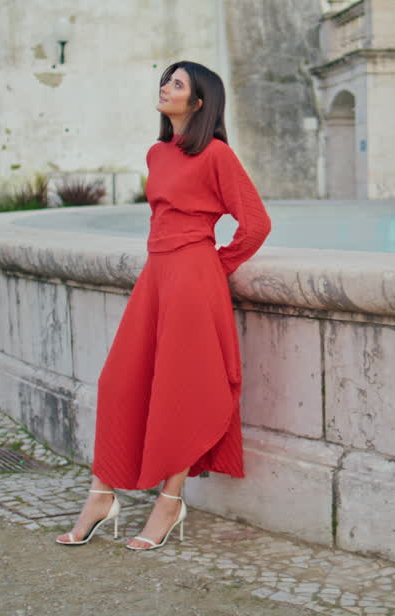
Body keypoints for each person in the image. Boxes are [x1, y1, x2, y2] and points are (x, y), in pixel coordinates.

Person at [55, 61, 271, 550]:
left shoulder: (217, 155)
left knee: (180, 388)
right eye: (166, 80)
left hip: (194, 277)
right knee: (118, 381)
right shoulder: (157, 153)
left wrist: (216, 265)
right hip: (156, 275)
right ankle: (101, 494)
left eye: (177, 84)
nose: (165, 88)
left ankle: (169, 502)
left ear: (199, 103)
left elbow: (255, 223)